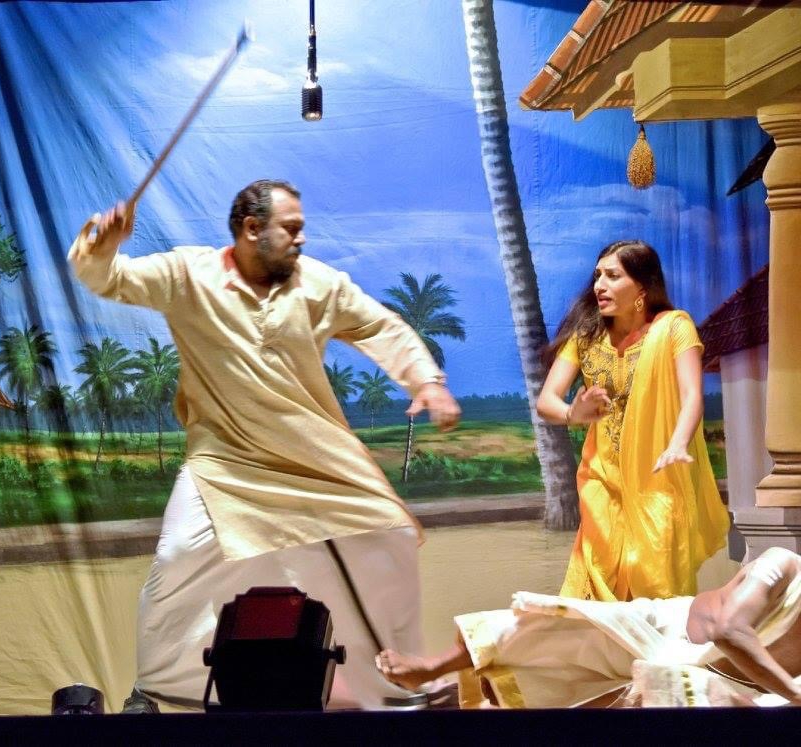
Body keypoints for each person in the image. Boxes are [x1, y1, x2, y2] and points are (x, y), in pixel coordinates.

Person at [69, 179, 462, 711]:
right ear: (252, 229)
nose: (301, 239)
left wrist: (427, 382)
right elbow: (109, 279)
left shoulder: (319, 284)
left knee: (386, 538)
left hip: (313, 457)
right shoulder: (188, 275)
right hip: (223, 459)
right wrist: (104, 245)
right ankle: (157, 689)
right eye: (291, 228)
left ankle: (394, 685)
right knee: (179, 555)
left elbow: (380, 326)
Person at [535, 240, 729, 601]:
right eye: (597, 276)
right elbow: (547, 401)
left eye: (612, 276)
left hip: (660, 475)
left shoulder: (675, 328)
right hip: (601, 476)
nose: (599, 285)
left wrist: (677, 444)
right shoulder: (585, 337)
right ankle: (595, 637)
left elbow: (692, 396)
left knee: (656, 581)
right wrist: (572, 413)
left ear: (642, 287)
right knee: (596, 574)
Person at [376, 546, 801, 709]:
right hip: (667, 630)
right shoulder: (781, 564)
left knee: (579, 698)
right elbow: (729, 631)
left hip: (724, 685)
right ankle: (434, 668)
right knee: (542, 635)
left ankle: (455, 699)